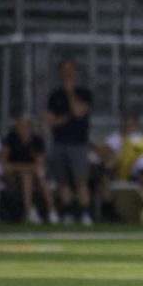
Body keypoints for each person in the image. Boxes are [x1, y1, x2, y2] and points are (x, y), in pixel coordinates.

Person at [44, 59, 94, 225]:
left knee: (81, 179)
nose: (68, 74)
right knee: (62, 180)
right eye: (64, 71)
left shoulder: (84, 93)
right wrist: (67, 118)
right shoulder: (54, 95)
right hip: (59, 142)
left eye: (70, 70)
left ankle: (85, 213)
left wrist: (70, 94)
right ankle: (68, 212)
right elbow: (50, 120)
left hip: (78, 143)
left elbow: (79, 112)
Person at [1, 114, 58, 224]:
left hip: (33, 172)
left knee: (40, 177)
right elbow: (5, 162)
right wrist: (21, 168)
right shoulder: (11, 138)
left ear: (30, 128)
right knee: (26, 176)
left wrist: (21, 167)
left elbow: (38, 164)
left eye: (25, 126)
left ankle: (52, 210)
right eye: (20, 126)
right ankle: (29, 211)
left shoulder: (37, 140)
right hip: (14, 174)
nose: (23, 129)